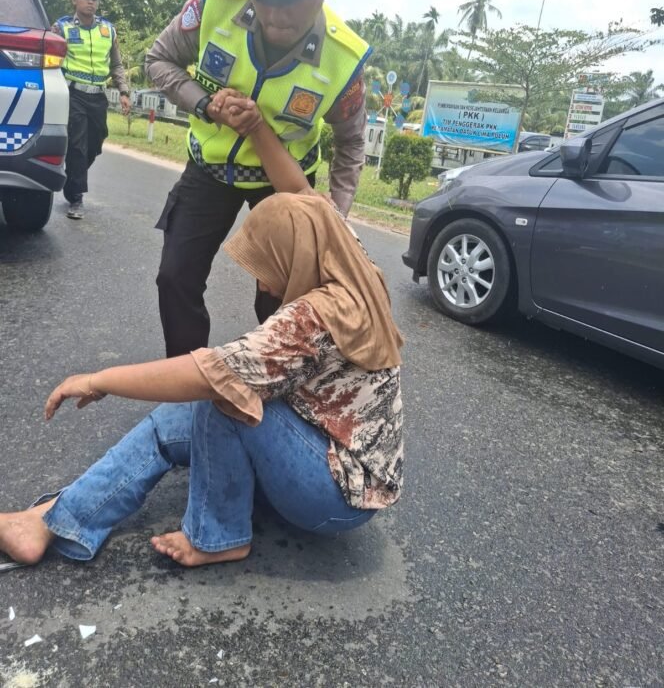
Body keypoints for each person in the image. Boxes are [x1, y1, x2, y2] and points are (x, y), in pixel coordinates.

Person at [0, 192, 404, 568]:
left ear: (297, 254)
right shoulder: (354, 265)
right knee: (179, 416)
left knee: (223, 398)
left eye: (266, 267)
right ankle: (58, 518)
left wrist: (98, 380)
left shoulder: (316, 317)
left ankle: (219, 537)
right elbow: (309, 202)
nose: (262, 284)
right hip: (328, 456)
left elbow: (211, 374)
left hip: (337, 496)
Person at [144, 0, 371, 357]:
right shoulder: (213, 4)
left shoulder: (344, 60)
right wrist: (203, 104)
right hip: (209, 168)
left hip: (284, 185)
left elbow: (350, 143)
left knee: (280, 299)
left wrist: (335, 215)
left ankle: (274, 389)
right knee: (175, 278)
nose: (274, 15)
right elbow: (158, 61)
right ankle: (190, 382)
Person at [53, 0, 131, 220]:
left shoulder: (108, 30)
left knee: (95, 145)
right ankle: (76, 198)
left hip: (98, 97)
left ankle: (72, 178)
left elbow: (116, 65)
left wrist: (124, 91)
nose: (91, 2)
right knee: (77, 146)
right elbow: (51, 60)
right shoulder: (62, 28)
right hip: (73, 94)